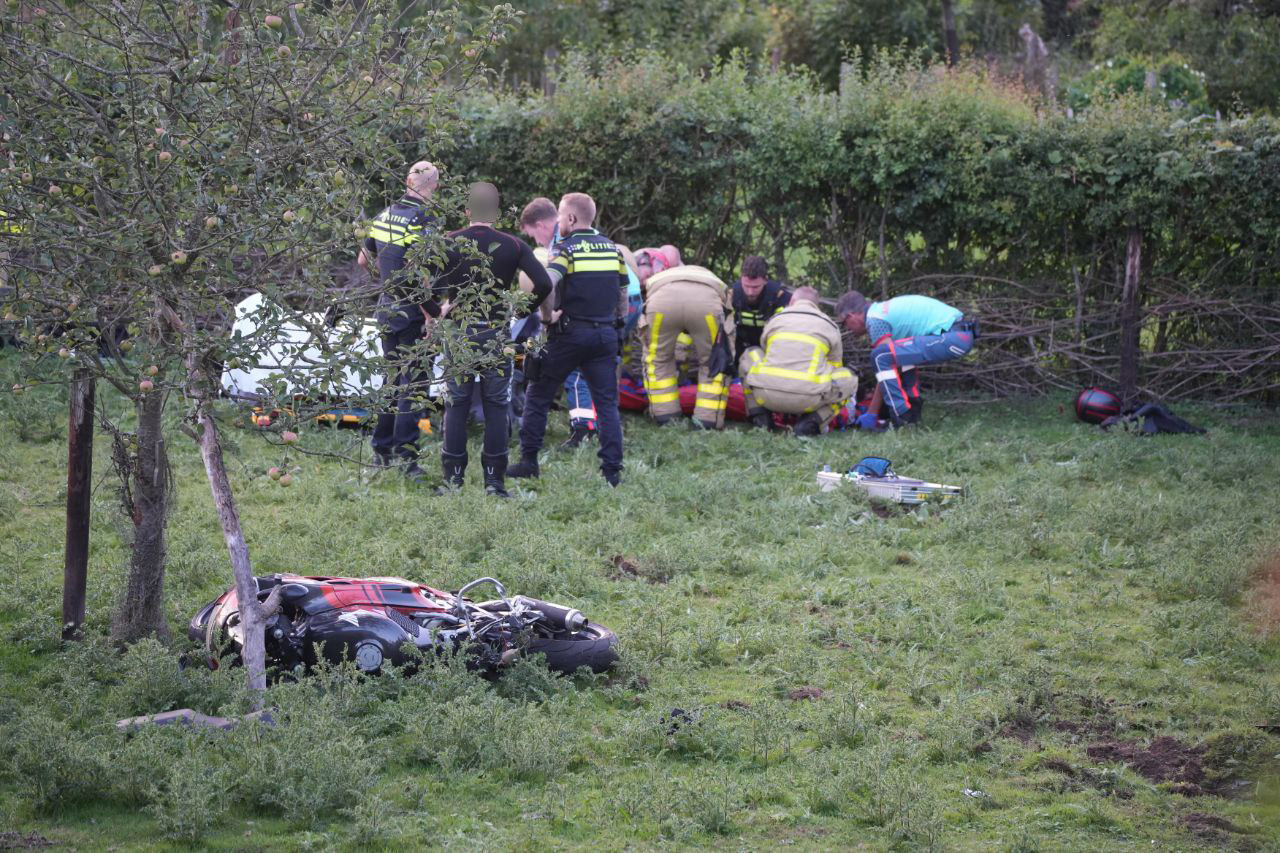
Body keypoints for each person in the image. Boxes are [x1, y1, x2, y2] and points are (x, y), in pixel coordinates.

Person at [429, 182, 552, 497]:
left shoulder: (448, 242)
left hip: (459, 332)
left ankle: (453, 480)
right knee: (497, 406)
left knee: (456, 404)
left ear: (467, 211)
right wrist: (518, 312)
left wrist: (435, 311)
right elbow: (543, 283)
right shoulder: (513, 245)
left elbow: (415, 282)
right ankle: (494, 483)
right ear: (496, 213)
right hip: (496, 333)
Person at [508, 192, 628, 486]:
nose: (559, 221)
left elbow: (547, 284)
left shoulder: (566, 249)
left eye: (561, 216)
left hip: (569, 334)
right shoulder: (613, 250)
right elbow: (623, 294)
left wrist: (547, 316)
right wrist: (616, 322)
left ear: (572, 218)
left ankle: (528, 461)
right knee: (607, 404)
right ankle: (612, 472)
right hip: (604, 335)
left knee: (538, 394)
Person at [358, 160, 439, 476]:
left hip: (386, 309)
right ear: (434, 187)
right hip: (412, 313)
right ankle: (408, 460)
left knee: (391, 381)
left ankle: (380, 452)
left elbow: (363, 260)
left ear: (408, 181)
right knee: (413, 387)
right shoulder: (424, 219)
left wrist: (385, 281)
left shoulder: (384, 214)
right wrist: (431, 314)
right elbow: (420, 271)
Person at [517, 197, 596, 449]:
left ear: (541, 225)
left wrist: (547, 318)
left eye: (533, 235)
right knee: (594, 368)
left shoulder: (564, 242)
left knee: (577, 370)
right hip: (610, 306)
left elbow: (550, 286)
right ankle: (596, 422)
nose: (536, 242)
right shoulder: (575, 236)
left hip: (595, 310)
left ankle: (584, 430)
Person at [834, 290, 978, 427]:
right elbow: (893, 366)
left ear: (851, 316)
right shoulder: (880, 312)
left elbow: (884, 365)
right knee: (900, 360)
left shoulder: (875, 320)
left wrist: (872, 412)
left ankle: (902, 418)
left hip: (954, 337)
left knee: (880, 356)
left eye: (844, 323)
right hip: (959, 333)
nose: (847, 328)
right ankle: (912, 415)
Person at [636, 246, 736, 429]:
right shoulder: (709, 276)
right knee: (714, 359)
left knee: (657, 359)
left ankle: (665, 416)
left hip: (661, 303)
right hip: (706, 304)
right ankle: (707, 419)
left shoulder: (660, 276)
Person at [739, 287, 859, 436]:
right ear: (816, 305)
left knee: (749, 355)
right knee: (849, 378)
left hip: (766, 395)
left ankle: (759, 416)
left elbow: (767, 352)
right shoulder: (830, 326)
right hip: (809, 400)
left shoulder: (775, 320)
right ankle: (812, 422)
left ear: (792, 301)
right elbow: (835, 366)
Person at [732, 255, 790, 366]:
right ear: (741, 278)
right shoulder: (732, 295)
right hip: (738, 348)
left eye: (755, 287)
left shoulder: (780, 297)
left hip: (770, 351)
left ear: (765, 280)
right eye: (746, 286)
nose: (750, 292)